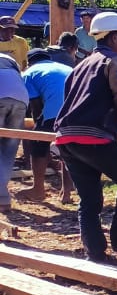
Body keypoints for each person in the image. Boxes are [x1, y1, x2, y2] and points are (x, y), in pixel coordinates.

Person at [53, 11, 117, 261]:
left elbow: (71, 101)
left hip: (66, 138)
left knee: (89, 200)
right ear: (114, 38)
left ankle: (95, 253)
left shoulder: (80, 66)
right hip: (93, 137)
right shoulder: (112, 60)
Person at [17, 49, 73, 204]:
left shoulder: (29, 73)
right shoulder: (66, 68)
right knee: (67, 148)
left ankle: (38, 189)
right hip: (78, 112)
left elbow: (36, 106)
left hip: (54, 112)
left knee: (37, 145)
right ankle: (67, 192)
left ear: (30, 62)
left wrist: (39, 128)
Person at [0, 53, 27, 213]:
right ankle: (3, 198)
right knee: (9, 149)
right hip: (20, 99)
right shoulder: (9, 59)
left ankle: (2, 197)